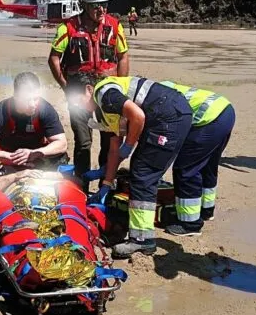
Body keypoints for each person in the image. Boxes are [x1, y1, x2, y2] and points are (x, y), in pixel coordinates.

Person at [67, 73, 192, 257]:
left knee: (143, 175)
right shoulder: (104, 108)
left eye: (76, 100)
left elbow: (138, 117)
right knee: (140, 171)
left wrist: (130, 145)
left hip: (168, 117)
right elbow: (114, 148)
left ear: (88, 89)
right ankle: (142, 236)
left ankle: (142, 240)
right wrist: (106, 183)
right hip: (167, 114)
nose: (76, 106)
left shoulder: (104, 94)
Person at [48, 0, 130, 180]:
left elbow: (123, 56)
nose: (101, 10)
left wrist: (122, 86)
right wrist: (65, 86)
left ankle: (105, 182)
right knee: (83, 141)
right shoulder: (67, 28)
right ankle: (81, 184)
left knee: (110, 140)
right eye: (95, 5)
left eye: (104, 4)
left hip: (107, 93)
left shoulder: (115, 26)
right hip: (77, 92)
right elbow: (54, 58)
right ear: (85, 5)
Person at [158, 81, 236, 236]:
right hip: (224, 110)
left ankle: (190, 224)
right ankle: (206, 211)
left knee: (185, 168)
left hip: (208, 119)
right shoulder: (159, 87)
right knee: (208, 165)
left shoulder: (153, 102)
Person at [0, 72, 68, 170]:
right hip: (6, 157)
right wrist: (10, 158)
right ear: (16, 97)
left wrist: (35, 153)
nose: (32, 104)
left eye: (36, 99)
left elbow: (62, 144)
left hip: (34, 155)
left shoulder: (45, 110)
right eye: (27, 100)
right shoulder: (1, 111)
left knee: (60, 157)